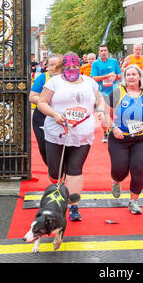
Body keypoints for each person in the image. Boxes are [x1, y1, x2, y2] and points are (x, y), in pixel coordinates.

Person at [37, 53, 106, 222]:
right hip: (57, 133)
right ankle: (57, 189)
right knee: (56, 173)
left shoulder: (89, 82)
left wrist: (102, 110)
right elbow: (41, 102)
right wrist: (54, 114)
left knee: (75, 170)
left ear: (79, 66)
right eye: (68, 67)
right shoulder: (54, 82)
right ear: (63, 67)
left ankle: (74, 205)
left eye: (75, 67)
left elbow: (99, 100)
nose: (72, 70)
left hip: (82, 134)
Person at [105, 64, 143, 214]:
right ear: (124, 78)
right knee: (120, 170)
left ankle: (133, 201)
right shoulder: (117, 93)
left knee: (139, 168)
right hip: (119, 138)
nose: (131, 77)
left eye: (133, 74)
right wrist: (113, 128)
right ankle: (116, 180)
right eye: (128, 75)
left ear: (140, 77)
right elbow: (105, 114)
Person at [29, 54, 64, 166]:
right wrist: (45, 101)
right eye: (51, 65)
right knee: (45, 147)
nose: (54, 67)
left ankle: (63, 172)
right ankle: (53, 169)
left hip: (63, 116)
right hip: (42, 116)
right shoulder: (43, 78)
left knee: (64, 146)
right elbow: (32, 96)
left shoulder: (68, 78)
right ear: (47, 66)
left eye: (57, 65)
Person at [91, 44, 122, 143]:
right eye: (101, 51)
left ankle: (111, 130)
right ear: (99, 53)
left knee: (111, 113)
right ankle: (105, 132)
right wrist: (107, 76)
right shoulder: (96, 63)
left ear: (108, 52)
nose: (103, 52)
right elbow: (94, 78)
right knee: (103, 113)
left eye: (105, 50)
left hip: (113, 91)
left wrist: (115, 77)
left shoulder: (114, 62)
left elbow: (119, 75)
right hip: (101, 92)